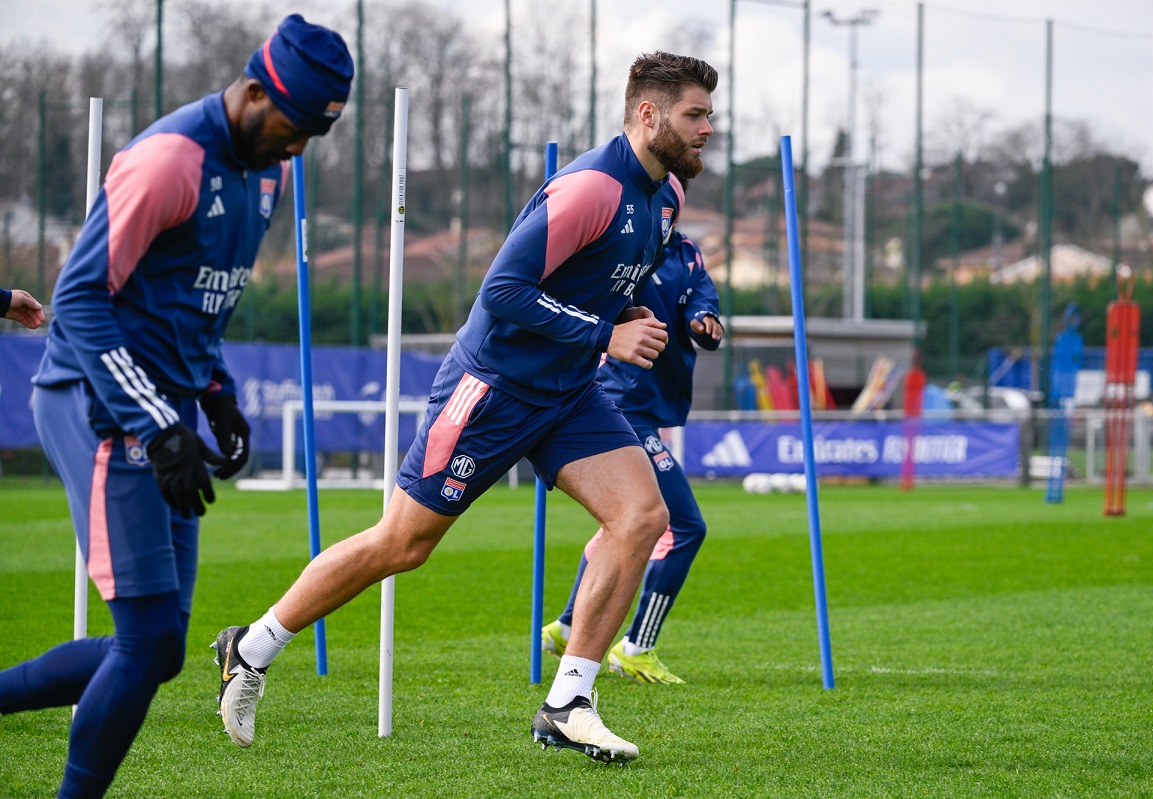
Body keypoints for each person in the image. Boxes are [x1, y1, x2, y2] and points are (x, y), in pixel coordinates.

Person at [213, 51, 718, 765]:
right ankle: (252, 645)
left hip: (568, 391)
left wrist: (625, 308)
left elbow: (593, 280)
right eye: (695, 114)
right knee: (402, 545)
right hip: (491, 390)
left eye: (708, 116)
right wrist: (609, 333)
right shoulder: (588, 190)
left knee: (642, 516)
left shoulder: (666, 199)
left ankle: (568, 701)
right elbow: (504, 291)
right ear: (648, 113)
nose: (707, 129)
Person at [0, 16, 353, 798]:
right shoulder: (167, 162)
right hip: (93, 399)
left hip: (166, 405)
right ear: (256, 92)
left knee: (158, 652)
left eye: (311, 138)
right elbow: (82, 301)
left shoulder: (272, 173)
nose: (297, 150)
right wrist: (158, 423)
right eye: (292, 130)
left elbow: (195, 302)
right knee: (147, 637)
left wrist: (215, 393)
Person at [542, 224, 722, 685]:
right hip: (620, 402)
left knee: (619, 523)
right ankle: (637, 646)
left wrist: (706, 320)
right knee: (685, 527)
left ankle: (566, 626)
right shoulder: (625, 246)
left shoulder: (687, 252)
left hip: (652, 401)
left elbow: (701, 299)